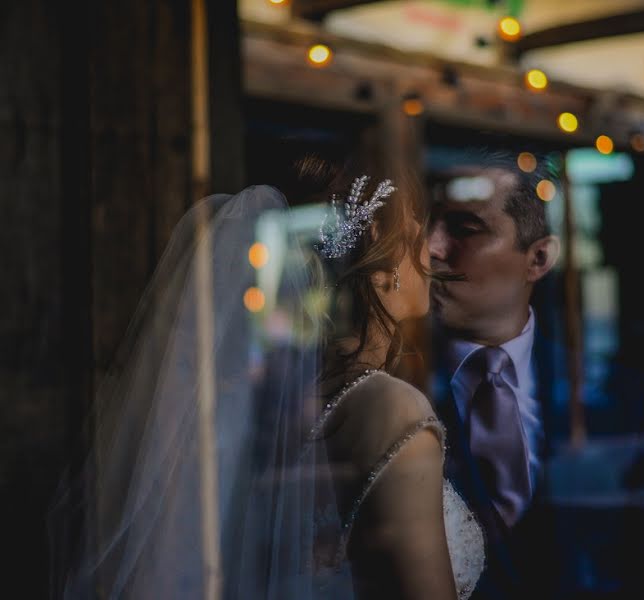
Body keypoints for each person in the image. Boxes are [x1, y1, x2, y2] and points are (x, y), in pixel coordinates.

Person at [50, 153, 486, 599]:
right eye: (417, 228)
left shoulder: (270, 404)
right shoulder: (395, 410)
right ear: (380, 251)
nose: (434, 250)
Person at [426, 150, 562, 599]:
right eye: (428, 227)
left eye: (465, 229)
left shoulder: (612, 393)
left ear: (538, 258)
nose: (432, 249)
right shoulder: (394, 391)